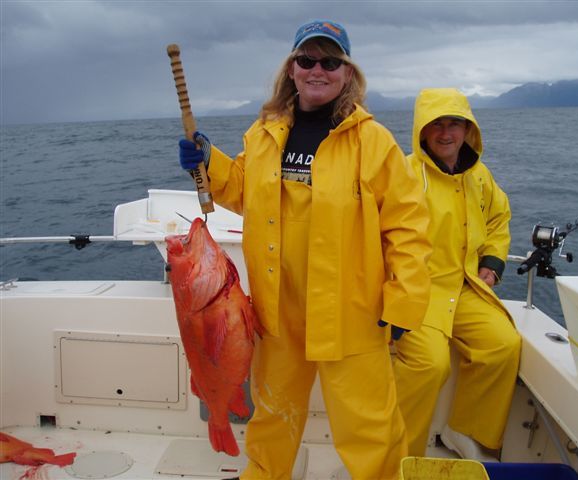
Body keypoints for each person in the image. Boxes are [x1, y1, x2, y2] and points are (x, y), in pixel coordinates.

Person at [178, 20, 431, 480]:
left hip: (352, 312)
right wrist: (209, 162)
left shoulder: (374, 142)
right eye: (306, 59)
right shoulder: (264, 132)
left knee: (369, 425)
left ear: (347, 73)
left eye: (330, 62)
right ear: (291, 69)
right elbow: (242, 189)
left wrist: (404, 301)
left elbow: (407, 225)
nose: (318, 70)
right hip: (278, 309)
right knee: (273, 414)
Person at [392, 88, 521, 462]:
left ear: (469, 130)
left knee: (503, 345)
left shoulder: (479, 175)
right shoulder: (403, 173)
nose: (446, 133)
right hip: (417, 291)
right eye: (436, 124)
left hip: (466, 287)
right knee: (429, 365)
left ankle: (466, 431)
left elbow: (498, 218)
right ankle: (399, 455)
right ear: (422, 130)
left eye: (455, 124)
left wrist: (492, 264)